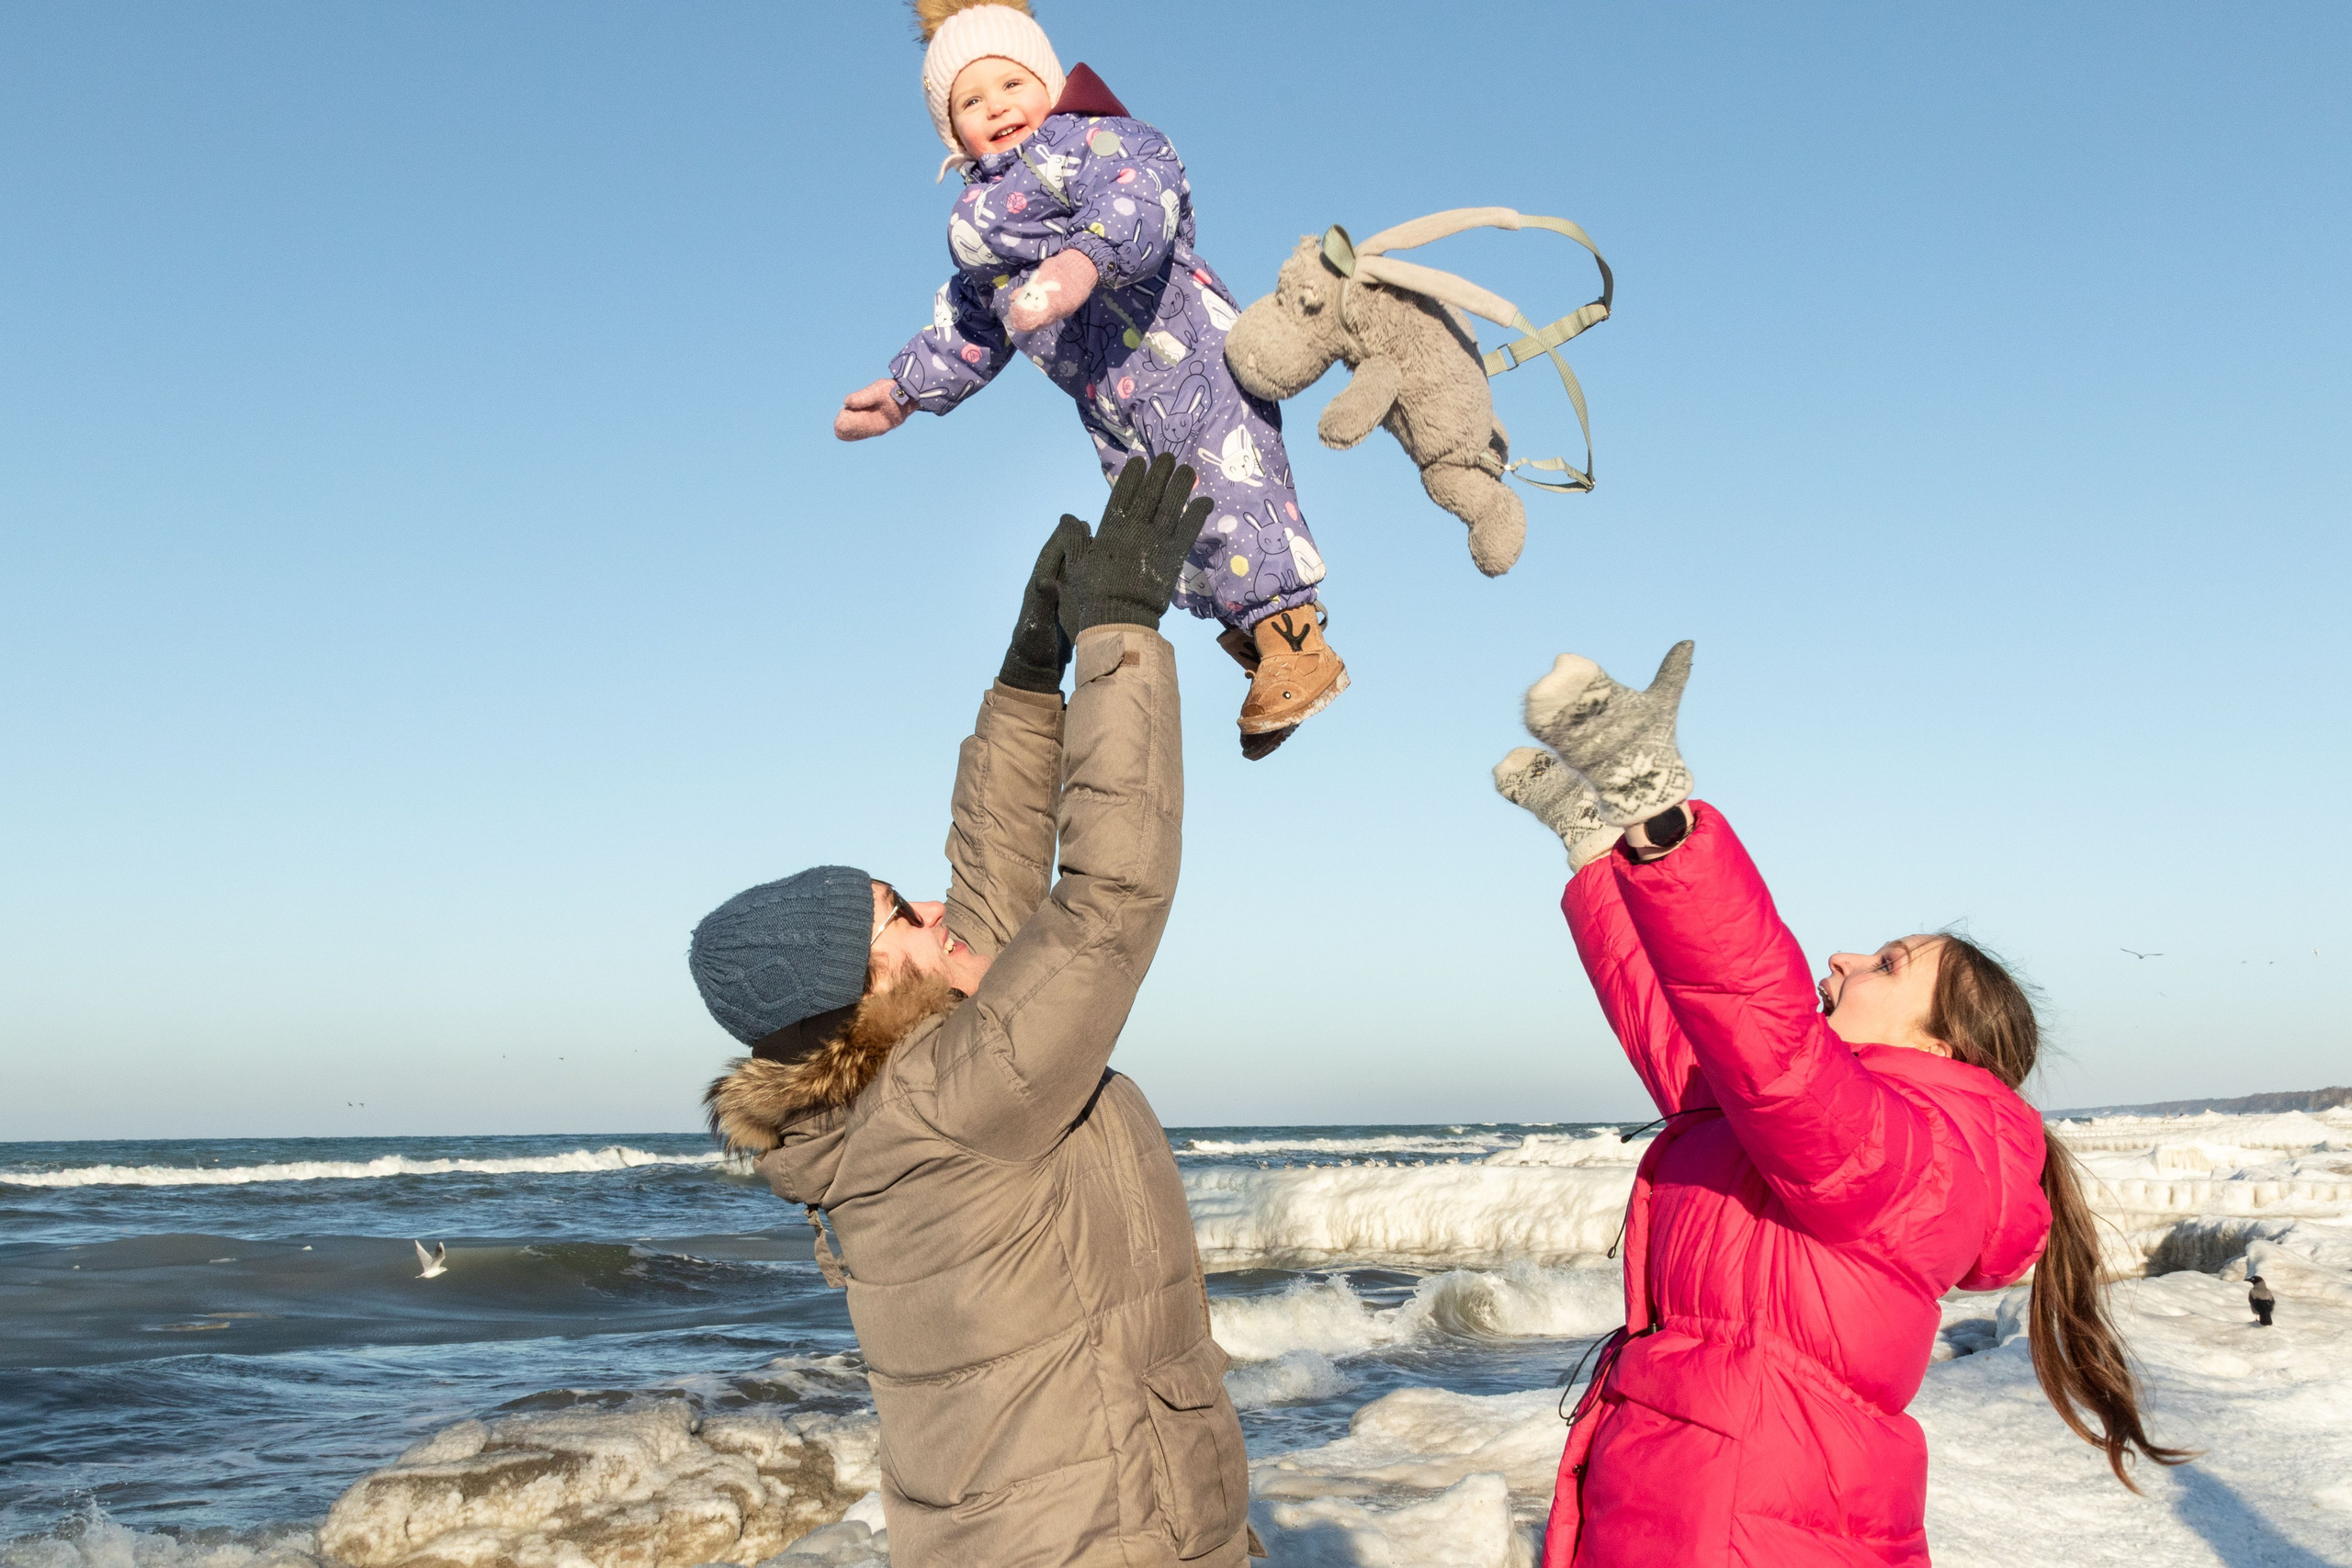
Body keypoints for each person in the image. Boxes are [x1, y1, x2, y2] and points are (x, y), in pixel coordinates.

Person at [1491, 642, 2190, 1566]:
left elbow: (1762, 1029)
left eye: (1886, 965)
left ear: (1940, 1043)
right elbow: (1683, 1024)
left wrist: (1659, 813)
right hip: (1691, 1492)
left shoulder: (1916, 1157)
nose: (1843, 959)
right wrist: (1595, 845)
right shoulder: (1802, 1115)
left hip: (1748, 1516)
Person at [689, 456, 1261, 1567]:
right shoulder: (956, 1104)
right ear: (863, 989)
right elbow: (1104, 906)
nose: (935, 904)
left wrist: (1026, 679)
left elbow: (995, 899)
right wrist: (1122, 645)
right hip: (1104, 1540)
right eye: (900, 911)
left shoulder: (891, 1099)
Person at [832, 0, 1346, 760]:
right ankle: (1259, 649)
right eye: (970, 102)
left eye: (1011, 83)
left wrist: (1078, 267)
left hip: (1192, 357)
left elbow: (1145, 194)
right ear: (952, 133)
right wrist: (905, 392)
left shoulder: (1094, 141)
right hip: (1116, 403)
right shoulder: (979, 226)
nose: (996, 107)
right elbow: (974, 325)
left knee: (1240, 496)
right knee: (1176, 527)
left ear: (1047, 80)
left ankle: (1298, 644)